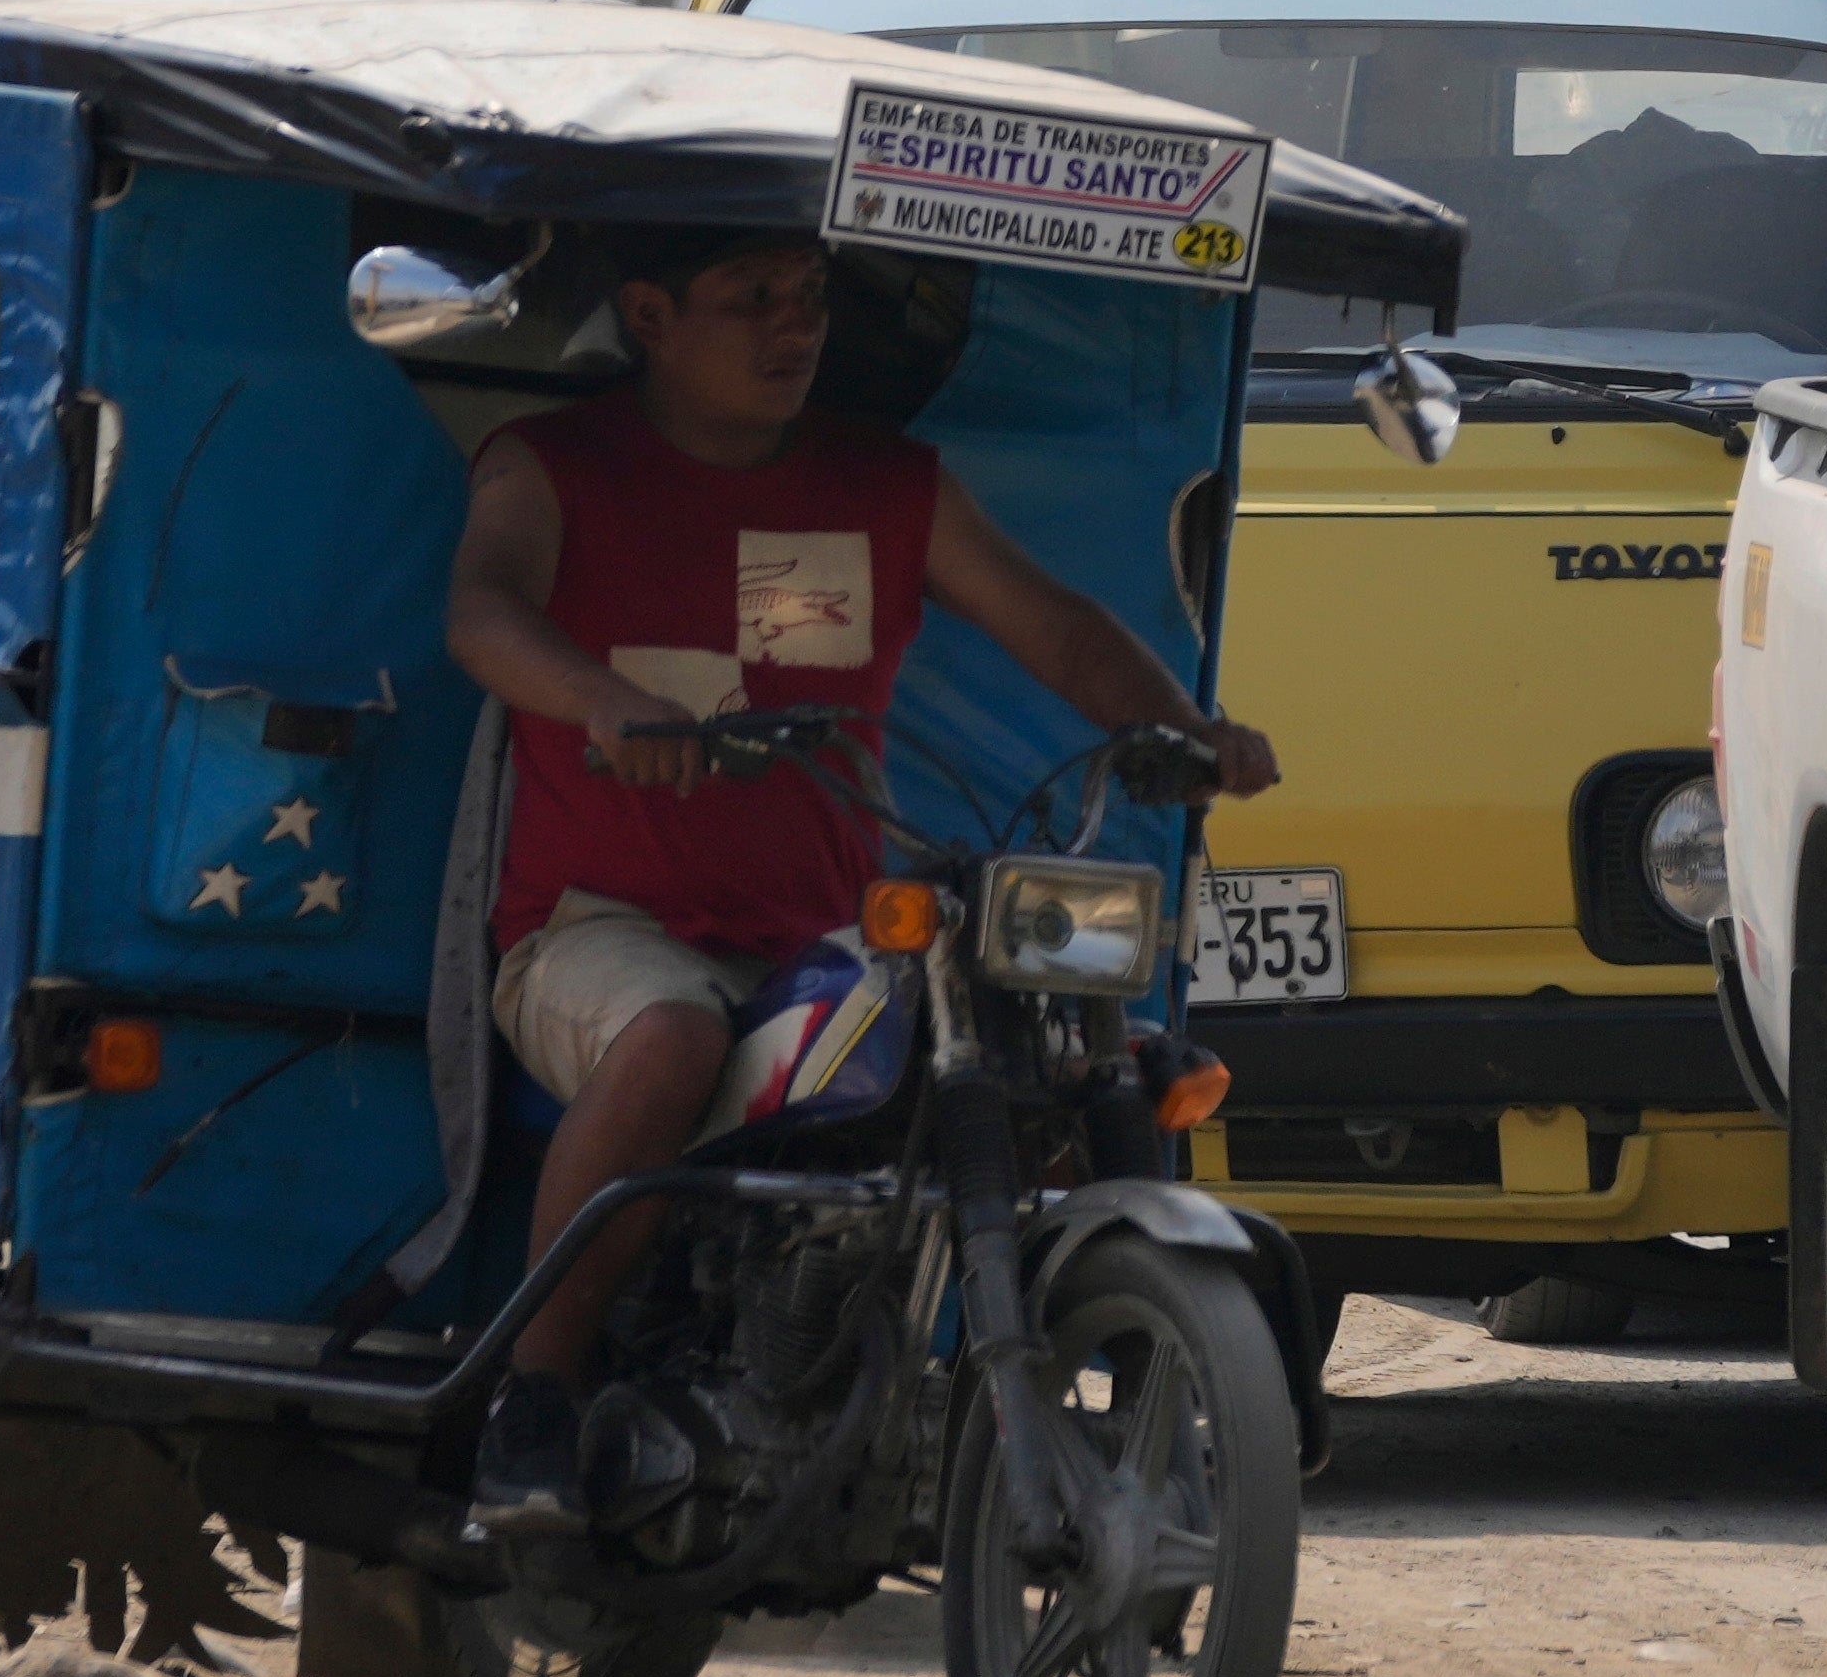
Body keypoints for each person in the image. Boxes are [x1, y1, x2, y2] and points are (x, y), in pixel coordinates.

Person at [441, 223, 1282, 1528]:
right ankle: (533, 1399)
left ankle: (1107, 1381)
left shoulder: (887, 482)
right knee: (667, 1033)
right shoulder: (552, 465)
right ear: (650, 314)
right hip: (596, 929)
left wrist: (1181, 726)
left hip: (823, 939)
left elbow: (1051, 621)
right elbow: (484, 607)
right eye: (751, 297)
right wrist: (599, 699)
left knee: (1061, 1043)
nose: (794, 326)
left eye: (811, 297)